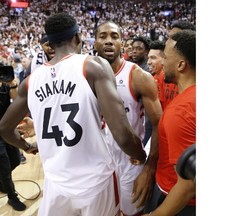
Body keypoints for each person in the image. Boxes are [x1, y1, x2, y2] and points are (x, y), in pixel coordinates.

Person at [0, 12, 147, 216]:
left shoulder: (31, 80)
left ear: (50, 44)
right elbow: (122, 134)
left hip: (56, 182)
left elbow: (5, 129)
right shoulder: (92, 66)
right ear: (78, 37)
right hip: (95, 182)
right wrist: (140, 155)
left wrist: (28, 147)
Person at [94, 20, 162, 216]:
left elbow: (158, 124)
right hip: (97, 159)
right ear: (94, 43)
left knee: (131, 213)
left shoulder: (138, 76)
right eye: (103, 36)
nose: (108, 41)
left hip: (130, 159)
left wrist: (149, 167)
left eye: (114, 37)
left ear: (122, 43)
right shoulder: (83, 75)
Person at [142, 29, 196, 216]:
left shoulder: (180, 111)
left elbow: (189, 184)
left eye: (165, 56)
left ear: (181, 65)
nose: (162, 61)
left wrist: (156, 214)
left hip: (179, 201)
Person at [0, 63, 26, 211]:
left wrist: (12, 84)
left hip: (7, 131)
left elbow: (17, 102)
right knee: (5, 167)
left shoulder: (6, 87)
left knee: (15, 161)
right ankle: (12, 197)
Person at [147, 40, 179, 111]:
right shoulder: (154, 77)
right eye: (148, 58)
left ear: (164, 58)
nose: (148, 62)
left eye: (153, 58)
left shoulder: (173, 77)